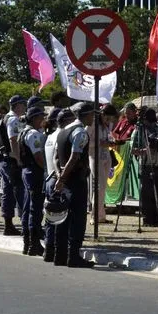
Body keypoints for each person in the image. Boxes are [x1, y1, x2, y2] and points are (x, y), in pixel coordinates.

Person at [54, 102, 96, 268]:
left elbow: (56, 158)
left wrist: (59, 175)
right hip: (75, 181)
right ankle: (73, 256)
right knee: (77, 219)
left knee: (62, 218)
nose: (93, 118)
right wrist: (63, 178)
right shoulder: (81, 133)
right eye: (92, 114)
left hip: (64, 180)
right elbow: (74, 157)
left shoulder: (63, 131)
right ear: (85, 115)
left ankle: (60, 256)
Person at [43, 108, 75, 263]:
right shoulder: (63, 136)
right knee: (62, 221)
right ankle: (58, 253)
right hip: (58, 180)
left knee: (51, 219)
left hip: (49, 178)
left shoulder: (50, 136)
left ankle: (49, 251)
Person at [132, 108, 158, 228]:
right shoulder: (139, 130)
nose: (152, 124)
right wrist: (147, 149)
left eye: (153, 121)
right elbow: (133, 150)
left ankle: (157, 218)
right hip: (147, 164)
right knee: (148, 193)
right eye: (149, 121)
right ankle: (147, 219)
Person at [19, 107, 47, 256]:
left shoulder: (24, 131)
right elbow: (38, 157)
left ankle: (27, 243)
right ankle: (33, 243)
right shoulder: (33, 134)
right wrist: (46, 171)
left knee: (27, 207)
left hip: (26, 170)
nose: (43, 120)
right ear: (35, 118)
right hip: (34, 171)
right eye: (41, 117)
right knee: (34, 209)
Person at [0, 95, 26, 236]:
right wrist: (19, 159)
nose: (25, 107)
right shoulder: (13, 119)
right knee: (19, 190)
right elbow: (13, 140)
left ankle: (8, 224)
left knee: (7, 192)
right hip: (12, 160)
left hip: (4, 158)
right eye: (23, 104)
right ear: (17, 105)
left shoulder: (5, 117)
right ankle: (24, 222)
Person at [88, 104, 116, 225]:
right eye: (108, 117)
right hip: (95, 156)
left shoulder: (107, 125)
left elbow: (108, 137)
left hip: (106, 156)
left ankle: (101, 215)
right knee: (98, 186)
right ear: (102, 114)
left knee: (103, 187)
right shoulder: (93, 124)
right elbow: (86, 140)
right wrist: (100, 143)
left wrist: (110, 142)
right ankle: (94, 215)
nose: (109, 121)